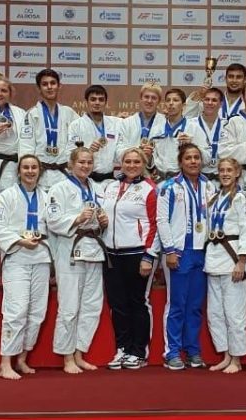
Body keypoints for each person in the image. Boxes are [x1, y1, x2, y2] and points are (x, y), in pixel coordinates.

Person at [47, 147, 108, 374]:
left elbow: (103, 217)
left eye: (89, 162)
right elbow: (53, 220)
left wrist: (103, 221)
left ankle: (79, 353)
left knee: (91, 305)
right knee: (69, 306)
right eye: (81, 162)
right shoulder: (59, 188)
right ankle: (67, 357)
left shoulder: (97, 188)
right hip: (70, 249)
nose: (85, 166)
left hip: (94, 249)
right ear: (71, 164)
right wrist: (77, 218)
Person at [157, 143, 218, 370]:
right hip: (180, 252)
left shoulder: (209, 186)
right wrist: (170, 250)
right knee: (177, 304)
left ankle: (192, 351)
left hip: (202, 251)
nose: (193, 161)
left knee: (194, 305)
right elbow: (162, 220)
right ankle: (172, 352)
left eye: (196, 157)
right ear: (180, 162)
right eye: (188, 158)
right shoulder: (170, 186)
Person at [0, 155, 51, 380]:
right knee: (16, 310)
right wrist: (19, 241)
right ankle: (5, 362)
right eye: (26, 167)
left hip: (41, 256)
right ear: (19, 171)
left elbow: (54, 225)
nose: (30, 171)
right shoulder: (6, 196)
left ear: (40, 170)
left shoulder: (47, 196)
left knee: (37, 312)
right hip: (17, 256)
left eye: (34, 167)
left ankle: (22, 359)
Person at [99, 149, 159, 370]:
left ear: (143, 164)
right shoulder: (111, 186)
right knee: (118, 304)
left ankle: (138, 351)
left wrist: (149, 256)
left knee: (138, 302)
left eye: (136, 162)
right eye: (128, 161)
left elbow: (155, 224)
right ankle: (122, 349)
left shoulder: (150, 189)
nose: (132, 165)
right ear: (121, 163)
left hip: (137, 253)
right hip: (111, 253)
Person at [204, 158, 246, 374]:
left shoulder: (244, 198)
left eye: (229, 170)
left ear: (237, 173)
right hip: (213, 258)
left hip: (233, 258)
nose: (225, 174)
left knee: (235, 313)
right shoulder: (214, 199)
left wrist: (242, 261)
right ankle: (226, 355)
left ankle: (237, 358)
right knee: (215, 313)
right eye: (222, 170)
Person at [22, 68, 79, 191]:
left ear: (59, 86)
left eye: (53, 83)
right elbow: (26, 148)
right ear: (39, 88)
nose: (49, 87)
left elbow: (84, 133)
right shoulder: (32, 114)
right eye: (45, 84)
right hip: (40, 177)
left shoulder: (69, 113)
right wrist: (29, 174)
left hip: (64, 175)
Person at [68, 85, 122, 183]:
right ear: (86, 102)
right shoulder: (76, 125)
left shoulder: (116, 123)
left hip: (109, 179)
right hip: (85, 178)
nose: (97, 103)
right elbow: (70, 156)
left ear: (105, 103)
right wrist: (88, 151)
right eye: (93, 99)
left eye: (101, 99)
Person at [115, 82, 166, 174]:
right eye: (146, 97)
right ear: (140, 99)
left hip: (157, 174)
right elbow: (119, 150)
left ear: (159, 101)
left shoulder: (166, 123)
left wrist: (150, 158)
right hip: (130, 172)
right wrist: (137, 154)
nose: (149, 101)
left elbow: (166, 153)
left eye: (154, 98)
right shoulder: (127, 123)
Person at [186, 87, 232, 183]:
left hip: (221, 178)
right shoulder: (190, 124)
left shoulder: (227, 125)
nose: (210, 103)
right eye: (207, 99)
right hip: (196, 178)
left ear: (221, 104)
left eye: (214, 100)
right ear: (202, 101)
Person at [148, 88, 189, 182]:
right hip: (160, 180)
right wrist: (148, 156)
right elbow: (152, 159)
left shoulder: (193, 128)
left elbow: (206, 157)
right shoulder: (156, 129)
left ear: (183, 105)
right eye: (168, 100)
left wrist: (191, 146)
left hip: (183, 179)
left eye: (175, 100)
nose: (171, 103)